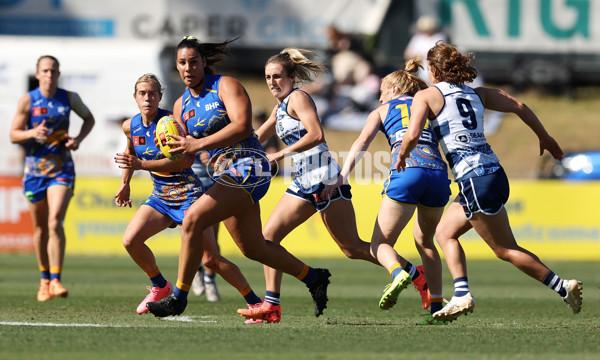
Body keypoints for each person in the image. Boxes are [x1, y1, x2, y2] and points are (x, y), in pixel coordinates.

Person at [145, 36, 331, 319]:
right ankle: (313, 277)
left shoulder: (225, 86)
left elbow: (243, 126)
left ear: (204, 62)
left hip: (250, 168)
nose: (188, 68)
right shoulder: (181, 106)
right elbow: (186, 158)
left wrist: (197, 145)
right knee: (253, 247)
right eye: (182, 63)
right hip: (225, 175)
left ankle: (178, 298)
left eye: (193, 62)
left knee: (193, 220)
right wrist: (146, 162)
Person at [398, 42, 583, 322]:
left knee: (505, 249)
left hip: (474, 179)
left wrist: (402, 155)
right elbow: (519, 105)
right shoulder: (478, 94)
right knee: (445, 232)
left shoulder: (428, 96)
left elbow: (412, 135)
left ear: (434, 70)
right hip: (493, 174)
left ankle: (560, 286)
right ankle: (462, 293)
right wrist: (544, 136)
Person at [237, 48, 382, 324]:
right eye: (268, 77)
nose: (271, 82)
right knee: (267, 239)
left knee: (352, 248)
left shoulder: (299, 98)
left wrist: (279, 154)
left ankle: (411, 271)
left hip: (325, 180)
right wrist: (234, 150)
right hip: (303, 184)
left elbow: (316, 134)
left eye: (277, 76)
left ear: (292, 77)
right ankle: (272, 306)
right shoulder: (280, 107)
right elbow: (258, 135)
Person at [114, 73, 264, 314]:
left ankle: (255, 301)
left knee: (211, 260)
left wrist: (141, 165)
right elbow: (130, 152)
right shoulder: (129, 126)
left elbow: (184, 162)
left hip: (189, 196)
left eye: (153, 93)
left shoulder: (172, 123)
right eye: (142, 93)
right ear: (135, 97)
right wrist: (125, 183)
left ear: (160, 96)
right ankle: (160, 286)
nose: (147, 98)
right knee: (130, 240)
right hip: (161, 197)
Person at [321, 57, 450, 325]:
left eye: (382, 90)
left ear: (393, 90)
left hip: (408, 171)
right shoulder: (428, 105)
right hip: (438, 174)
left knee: (380, 244)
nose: (379, 96)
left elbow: (361, 142)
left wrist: (343, 176)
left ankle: (397, 273)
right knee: (426, 241)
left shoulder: (381, 111)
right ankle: (436, 305)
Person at [9, 55, 95, 302]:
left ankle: (56, 280)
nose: (49, 75)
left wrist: (77, 139)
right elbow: (13, 135)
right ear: (37, 74)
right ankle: (44, 280)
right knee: (39, 229)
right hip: (34, 172)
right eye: (45, 71)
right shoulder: (28, 100)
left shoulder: (69, 98)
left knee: (55, 222)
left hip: (61, 169)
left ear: (59, 74)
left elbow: (89, 119)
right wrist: (31, 133)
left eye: (54, 71)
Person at [190, 151, 221, 302]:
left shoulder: (217, 127)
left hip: (212, 186)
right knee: (189, 236)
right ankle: (196, 270)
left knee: (212, 241)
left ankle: (210, 280)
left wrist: (214, 154)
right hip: (187, 187)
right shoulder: (179, 127)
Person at [403, 15, 449, 85]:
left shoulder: (440, 37)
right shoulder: (417, 38)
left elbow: (441, 54)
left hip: (435, 68)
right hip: (419, 69)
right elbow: (407, 54)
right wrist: (418, 56)